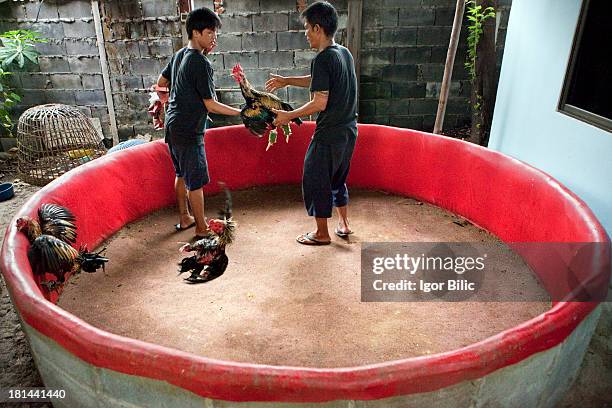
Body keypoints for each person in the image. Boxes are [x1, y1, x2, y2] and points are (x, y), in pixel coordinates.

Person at [266, 1, 358, 246]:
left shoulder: (323, 59)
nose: (306, 34)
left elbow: (319, 102)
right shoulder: (343, 53)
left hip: (329, 132)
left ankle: (321, 233)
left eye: (307, 28)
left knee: (315, 177)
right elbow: (319, 81)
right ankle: (344, 224)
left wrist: (288, 116)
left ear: (317, 28)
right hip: (349, 131)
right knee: (337, 178)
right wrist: (287, 81)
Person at [157, 7, 241, 238]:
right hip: (188, 129)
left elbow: (160, 82)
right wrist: (240, 112)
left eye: (215, 32)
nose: (214, 37)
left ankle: (185, 218)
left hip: (172, 126)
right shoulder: (201, 63)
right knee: (195, 182)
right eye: (209, 32)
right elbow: (211, 104)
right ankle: (202, 229)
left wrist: (166, 103)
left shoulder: (179, 55)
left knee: (181, 174)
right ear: (195, 32)